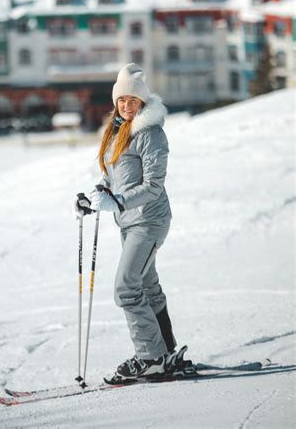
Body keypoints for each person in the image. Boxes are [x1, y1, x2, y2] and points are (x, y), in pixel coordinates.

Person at [75, 63, 179, 382]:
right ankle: (166, 351)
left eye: (133, 99)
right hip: (129, 222)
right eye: (122, 99)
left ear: (143, 102)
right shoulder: (118, 132)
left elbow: (153, 186)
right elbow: (115, 179)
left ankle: (150, 357)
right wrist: (97, 195)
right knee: (147, 286)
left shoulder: (151, 133)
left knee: (126, 287)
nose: (127, 105)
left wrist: (117, 201)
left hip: (149, 220)